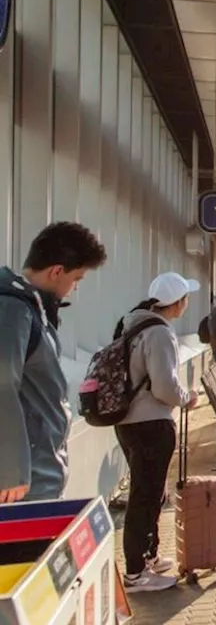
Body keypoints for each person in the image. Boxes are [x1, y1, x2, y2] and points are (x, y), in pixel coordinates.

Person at [0, 223, 108, 503]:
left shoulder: (30, 308)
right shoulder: (14, 310)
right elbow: (2, 383)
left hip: (35, 472)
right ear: (56, 272)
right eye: (77, 279)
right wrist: (10, 469)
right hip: (23, 484)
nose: (75, 288)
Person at [113, 272, 202, 592]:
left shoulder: (133, 324)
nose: (186, 303)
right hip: (151, 424)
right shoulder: (159, 333)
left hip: (128, 424)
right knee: (145, 496)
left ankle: (148, 556)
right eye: (185, 298)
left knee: (150, 493)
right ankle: (136, 573)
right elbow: (164, 386)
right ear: (177, 303)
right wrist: (186, 399)